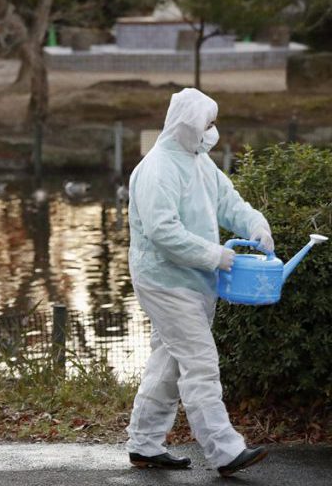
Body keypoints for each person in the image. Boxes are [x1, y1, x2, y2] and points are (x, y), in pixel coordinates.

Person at [126, 88, 271, 477]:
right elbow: (162, 231)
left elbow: (229, 202)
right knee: (200, 362)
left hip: (194, 279)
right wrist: (214, 255)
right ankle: (225, 450)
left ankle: (144, 443)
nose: (212, 131)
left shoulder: (198, 161)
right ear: (188, 126)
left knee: (169, 361)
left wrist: (255, 223)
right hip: (165, 280)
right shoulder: (158, 169)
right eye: (207, 124)